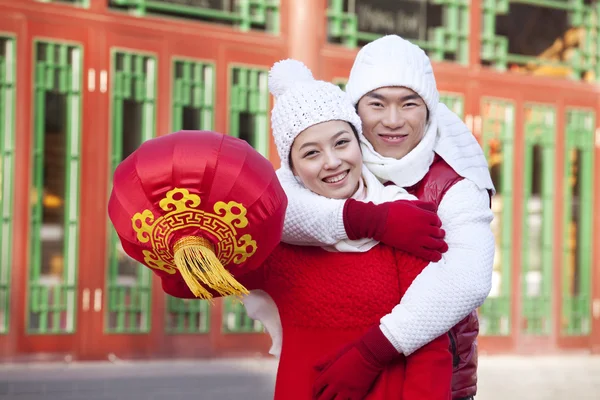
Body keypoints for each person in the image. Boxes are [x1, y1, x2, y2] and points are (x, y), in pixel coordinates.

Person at [158, 59, 452, 399]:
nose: (332, 161)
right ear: (293, 170)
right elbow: (188, 283)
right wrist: (186, 234)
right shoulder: (277, 241)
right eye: (311, 153)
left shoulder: (403, 220)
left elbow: (430, 352)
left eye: (342, 142)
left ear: (359, 144)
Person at [276, 35, 496, 400]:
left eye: (408, 103)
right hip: (332, 374)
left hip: (436, 380)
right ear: (355, 108)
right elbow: (277, 206)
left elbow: (468, 279)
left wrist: (372, 351)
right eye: (376, 104)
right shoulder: (337, 156)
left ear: (429, 108)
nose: (392, 121)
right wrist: (367, 220)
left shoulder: (454, 183)